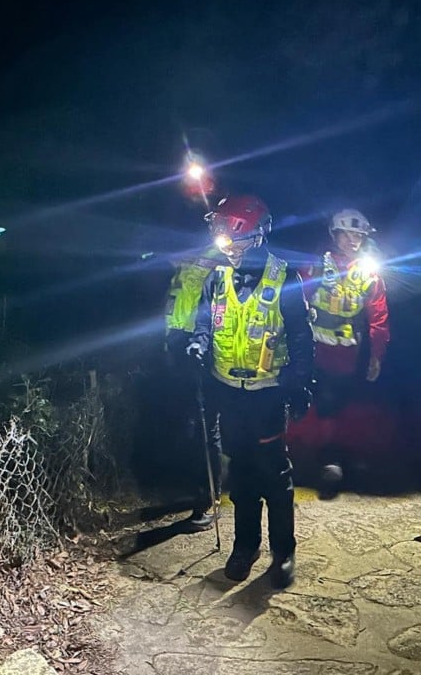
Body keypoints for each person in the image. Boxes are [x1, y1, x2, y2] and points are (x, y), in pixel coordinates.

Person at [187, 194, 314, 589]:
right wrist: (198, 346)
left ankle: (283, 551)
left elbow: (301, 336)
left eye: (234, 239)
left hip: (268, 393)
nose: (227, 247)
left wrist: (300, 384)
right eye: (223, 238)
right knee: (241, 472)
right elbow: (204, 323)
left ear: (257, 236)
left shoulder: (283, 277)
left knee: (273, 474)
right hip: (229, 392)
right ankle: (245, 545)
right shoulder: (217, 277)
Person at [299, 208, 390, 496]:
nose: (353, 240)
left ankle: (331, 457)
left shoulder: (368, 270)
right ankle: (308, 454)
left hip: (346, 351)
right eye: (347, 234)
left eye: (358, 235)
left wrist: (376, 354)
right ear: (334, 234)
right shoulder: (317, 264)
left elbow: (378, 314)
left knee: (336, 404)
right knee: (308, 401)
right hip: (312, 346)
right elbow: (297, 298)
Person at [163, 241, 226, 531]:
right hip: (179, 345)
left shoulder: (220, 252)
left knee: (205, 426)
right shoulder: (184, 251)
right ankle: (194, 493)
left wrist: (202, 345)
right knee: (189, 424)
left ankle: (207, 500)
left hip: (204, 345)